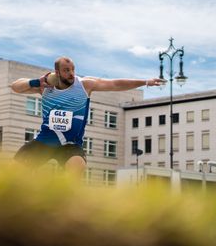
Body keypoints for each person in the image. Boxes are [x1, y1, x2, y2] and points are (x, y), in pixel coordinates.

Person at [11, 56, 164, 176]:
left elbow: (115, 84)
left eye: (72, 69)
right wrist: (36, 81)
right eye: (66, 70)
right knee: (15, 171)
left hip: (70, 145)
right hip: (44, 142)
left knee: (77, 167)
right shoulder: (45, 87)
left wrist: (145, 82)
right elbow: (15, 86)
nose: (71, 73)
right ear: (56, 72)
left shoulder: (84, 85)